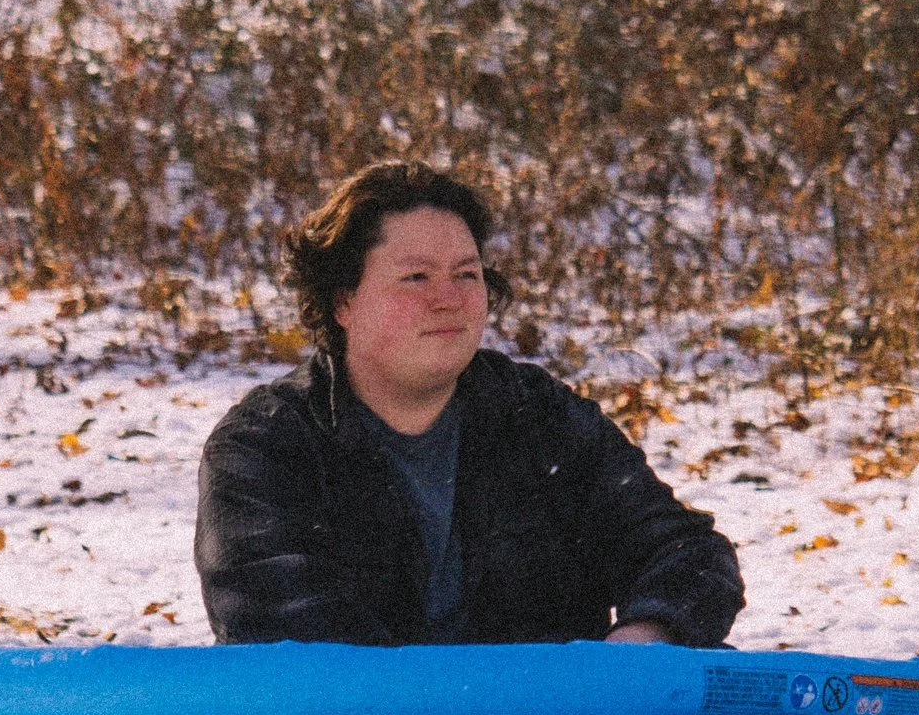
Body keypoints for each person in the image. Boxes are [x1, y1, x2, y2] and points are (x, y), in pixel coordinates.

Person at [194, 161, 743, 647]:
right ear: (343, 302)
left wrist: (643, 641)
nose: (448, 299)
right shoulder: (265, 445)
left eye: (467, 275)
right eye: (416, 277)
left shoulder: (537, 417)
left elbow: (687, 552)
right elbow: (280, 620)